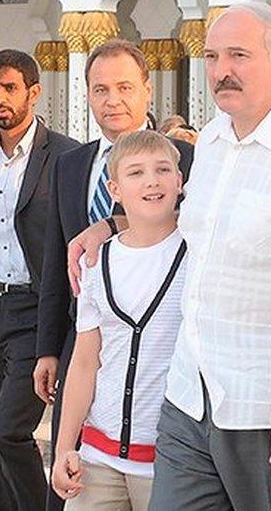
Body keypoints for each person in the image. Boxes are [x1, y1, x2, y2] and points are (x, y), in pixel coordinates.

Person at [67, 2, 271, 510]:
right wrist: (107, 225)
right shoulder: (212, 143)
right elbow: (191, 229)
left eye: (239, 55)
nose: (221, 70)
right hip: (191, 405)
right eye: (212, 56)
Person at [36, 39, 194, 511]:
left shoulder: (190, 161)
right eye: (101, 89)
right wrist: (48, 348)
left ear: (148, 89)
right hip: (90, 348)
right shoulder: (69, 165)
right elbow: (56, 264)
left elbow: (173, 222)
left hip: (162, 431)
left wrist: (110, 223)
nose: (114, 99)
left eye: (126, 87)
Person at [0, 49, 80, 511]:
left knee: (10, 430)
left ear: (33, 92)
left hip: (37, 310)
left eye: (9, 88)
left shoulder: (65, 155)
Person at [51, 130, 186, 510]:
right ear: (114, 189)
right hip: (97, 458)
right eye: (136, 173)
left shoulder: (197, 255)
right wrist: (64, 447)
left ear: (180, 181)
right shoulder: (96, 261)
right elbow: (84, 362)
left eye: (162, 170)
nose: (151, 181)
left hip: (169, 462)